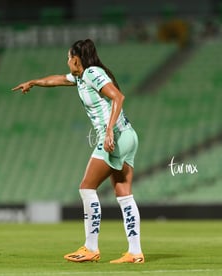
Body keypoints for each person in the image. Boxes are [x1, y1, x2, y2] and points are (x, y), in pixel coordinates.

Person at [12, 39, 144, 263]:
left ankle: (91, 247)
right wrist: (33, 82)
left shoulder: (92, 72)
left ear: (76, 59)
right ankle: (135, 252)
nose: (66, 62)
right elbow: (57, 80)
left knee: (86, 188)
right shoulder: (81, 77)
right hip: (128, 134)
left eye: (68, 57)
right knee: (123, 192)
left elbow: (118, 97)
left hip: (115, 136)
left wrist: (109, 131)